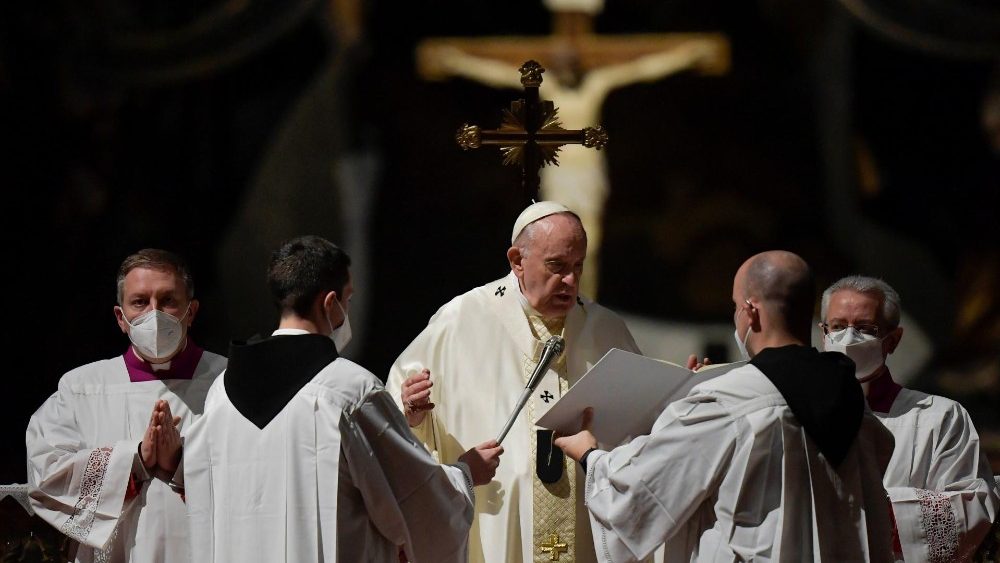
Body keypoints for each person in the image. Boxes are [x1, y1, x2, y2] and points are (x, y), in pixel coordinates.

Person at [555, 250, 896, 562]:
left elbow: (641, 493)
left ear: (751, 311)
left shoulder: (731, 400)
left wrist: (591, 455)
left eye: (735, 306)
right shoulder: (849, 394)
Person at [183, 235, 503, 562]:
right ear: (330, 302)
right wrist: (465, 473)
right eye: (348, 299)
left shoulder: (221, 392)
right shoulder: (349, 390)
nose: (347, 311)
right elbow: (415, 502)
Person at [386, 201, 642, 563]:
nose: (570, 281)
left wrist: (688, 388)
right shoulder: (461, 320)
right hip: (497, 523)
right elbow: (392, 418)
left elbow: (645, 419)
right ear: (517, 260)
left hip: (585, 527)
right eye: (556, 266)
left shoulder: (606, 329)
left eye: (577, 266)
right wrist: (410, 410)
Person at [26, 248, 227, 562]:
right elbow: (46, 475)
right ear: (121, 318)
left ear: (191, 311)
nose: (154, 313)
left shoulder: (230, 382)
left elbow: (257, 477)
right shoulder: (81, 388)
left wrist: (181, 464)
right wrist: (136, 460)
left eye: (168, 300)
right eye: (140, 302)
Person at [820, 275, 999, 562]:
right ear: (823, 333)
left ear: (893, 340)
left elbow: (972, 508)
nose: (848, 338)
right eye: (838, 327)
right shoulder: (800, 412)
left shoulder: (940, 417)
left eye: (865, 328)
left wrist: (876, 510)